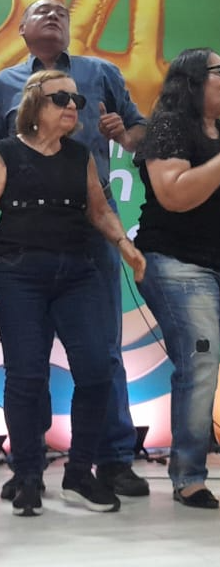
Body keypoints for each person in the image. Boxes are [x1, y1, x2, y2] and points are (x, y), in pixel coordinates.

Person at [0, 0, 149, 499]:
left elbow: (140, 133)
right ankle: (28, 464)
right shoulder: (4, 84)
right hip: (26, 235)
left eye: (61, 11)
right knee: (27, 360)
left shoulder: (100, 73)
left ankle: (111, 459)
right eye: (42, 11)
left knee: (103, 352)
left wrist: (125, 134)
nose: (54, 15)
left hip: (93, 223)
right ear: (22, 28)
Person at [133, 48, 220, 509]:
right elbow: (175, 195)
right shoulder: (169, 126)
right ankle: (189, 476)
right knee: (201, 360)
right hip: (177, 261)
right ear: (193, 80)